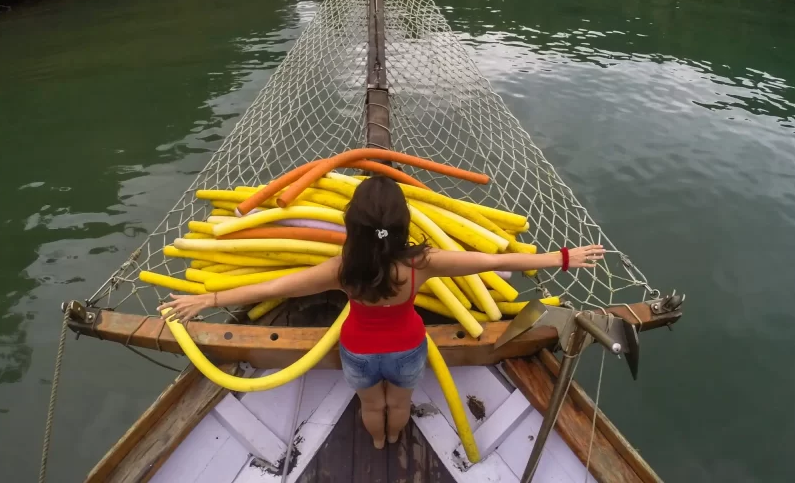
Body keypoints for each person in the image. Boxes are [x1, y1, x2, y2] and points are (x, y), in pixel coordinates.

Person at [160, 176, 605, 449]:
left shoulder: (342, 269)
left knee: (371, 404)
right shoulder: (422, 264)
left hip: (358, 351)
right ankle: (397, 435)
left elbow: (275, 286)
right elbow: (495, 262)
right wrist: (561, 258)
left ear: (351, 225)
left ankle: (378, 438)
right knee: (402, 400)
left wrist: (208, 299)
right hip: (409, 348)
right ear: (403, 225)